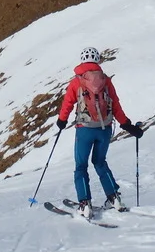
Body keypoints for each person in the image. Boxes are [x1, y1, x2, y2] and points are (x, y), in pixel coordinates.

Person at [57, 47, 145, 218]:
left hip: (85, 130)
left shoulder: (77, 81)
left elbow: (67, 103)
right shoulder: (105, 81)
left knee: (81, 166)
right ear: (97, 60)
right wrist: (128, 126)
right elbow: (116, 105)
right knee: (100, 162)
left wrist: (62, 121)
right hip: (104, 129)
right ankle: (114, 198)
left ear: (82, 60)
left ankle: (84, 203)